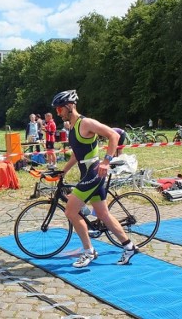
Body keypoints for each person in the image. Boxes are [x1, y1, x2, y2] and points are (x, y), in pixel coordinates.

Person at [51, 89, 138, 267]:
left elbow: (114, 135)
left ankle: (88, 251)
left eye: (59, 110)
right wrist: (64, 171)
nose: (58, 114)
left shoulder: (86, 123)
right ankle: (129, 246)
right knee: (103, 214)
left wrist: (107, 160)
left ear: (69, 106)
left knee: (70, 211)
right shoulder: (72, 128)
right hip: (89, 174)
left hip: (94, 173)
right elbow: (77, 155)